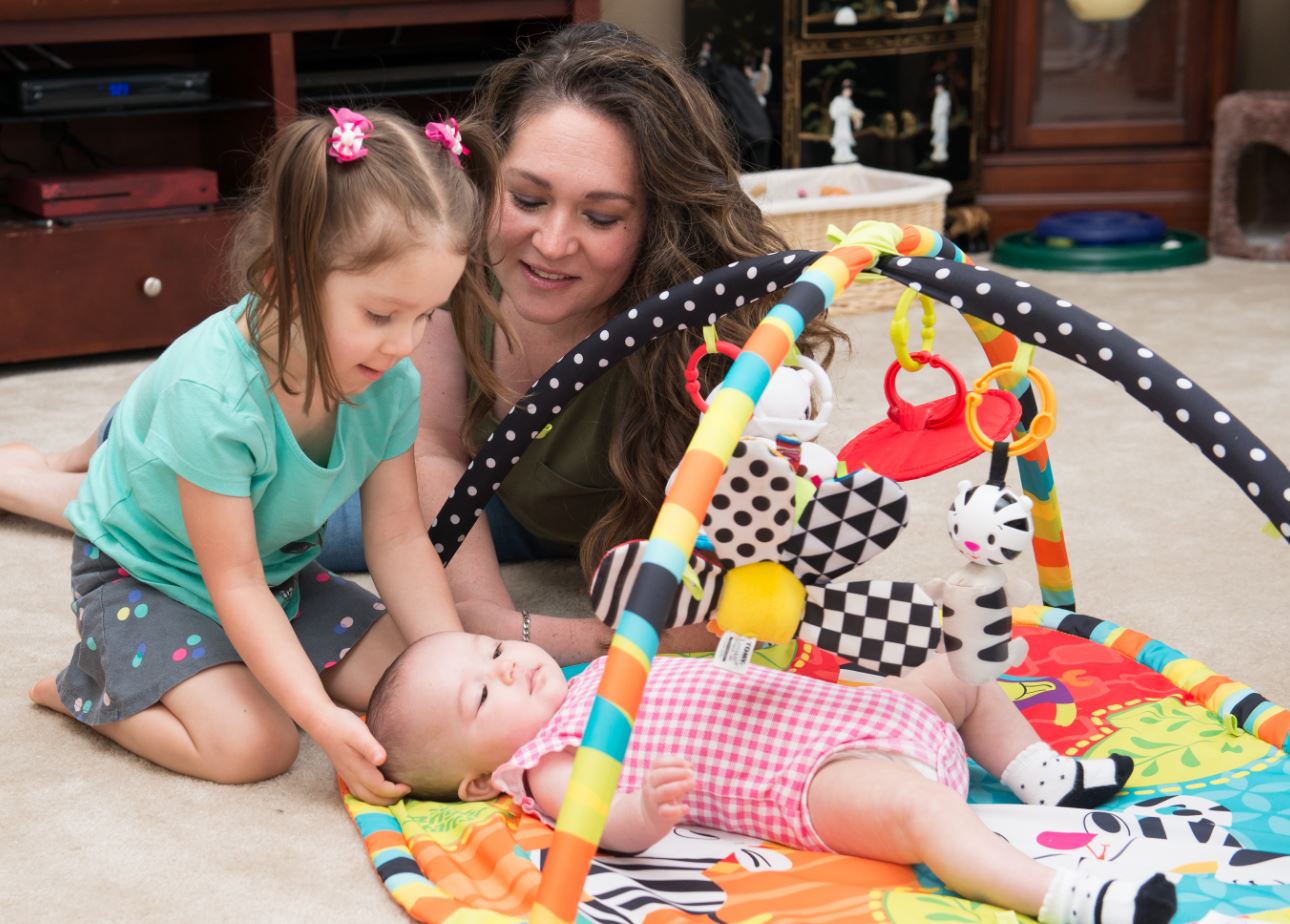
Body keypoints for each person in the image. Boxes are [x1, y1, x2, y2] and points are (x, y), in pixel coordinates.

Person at [0, 23, 846, 666]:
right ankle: (56, 470)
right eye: (528, 198)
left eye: (600, 216)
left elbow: (770, 502)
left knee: (289, 515)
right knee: (204, 492)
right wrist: (491, 623)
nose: (551, 243)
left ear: (657, 218)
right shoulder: (450, 268)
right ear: (489, 181)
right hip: (428, 465)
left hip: (513, 513)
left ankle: (71, 463)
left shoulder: (701, 330)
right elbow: (435, 453)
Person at [25, 106, 493, 805]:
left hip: (275, 575)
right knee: (259, 745)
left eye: (427, 315)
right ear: (282, 278)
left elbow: (396, 536)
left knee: (414, 692)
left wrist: (452, 669)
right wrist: (319, 720)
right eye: (380, 315)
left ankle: (252, 669)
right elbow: (231, 580)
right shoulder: (210, 393)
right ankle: (85, 692)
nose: (406, 343)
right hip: (147, 580)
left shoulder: (391, 381)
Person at [365, 632, 1177, 924]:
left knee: (957, 668)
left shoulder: (595, 671)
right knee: (917, 810)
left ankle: (1039, 773)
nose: (508, 671)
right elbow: (599, 825)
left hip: (850, 712)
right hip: (814, 774)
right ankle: (1052, 893)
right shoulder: (546, 762)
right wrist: (644, 811)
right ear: (478, 782)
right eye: (481, 694)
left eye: (494, 650)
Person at [828, 78, 864, 164]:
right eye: (847, 90)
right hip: (840, 121)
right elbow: (833, 110)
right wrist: (841, 113)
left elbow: (852, 110)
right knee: (840, 136)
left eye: (850, 91)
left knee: (846, 136)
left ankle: (847, 153)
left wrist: (857, 113)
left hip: (846, 122)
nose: (849, 92)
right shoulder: (837, 99)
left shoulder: (849, 101)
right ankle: (839, 154)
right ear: (843, 90)